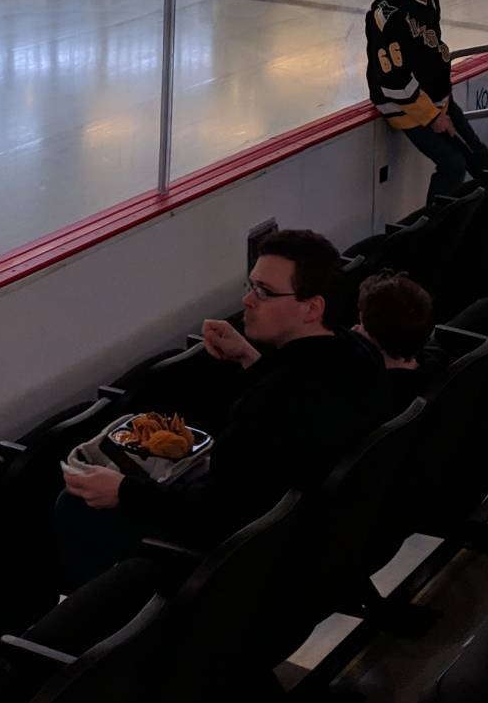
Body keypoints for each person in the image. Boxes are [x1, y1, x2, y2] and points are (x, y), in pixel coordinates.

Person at [56, 229, 387, 584]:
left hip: (244, 561)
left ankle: (82, 620)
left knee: (73, 506)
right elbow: (298, 408)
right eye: (251, 285)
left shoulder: (269, 405)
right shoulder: (359, 353)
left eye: (264, 292)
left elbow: (217, 514)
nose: (248, 301)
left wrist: (123, 491)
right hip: (320, 533)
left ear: (311, 307)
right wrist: (250, 358)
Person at [365, 0, 488, 201]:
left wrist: (440, 104)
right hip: (405, 106)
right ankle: (432, 236)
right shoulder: (387, 10)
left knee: (481, 158)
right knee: (454, 164)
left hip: (437, 100)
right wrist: (432, 116)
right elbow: (393, 79)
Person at [356, 272, 433, 417]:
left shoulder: (370, 397)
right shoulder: (431, 364)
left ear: (376, 339)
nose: (354, 329)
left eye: (361, 324)